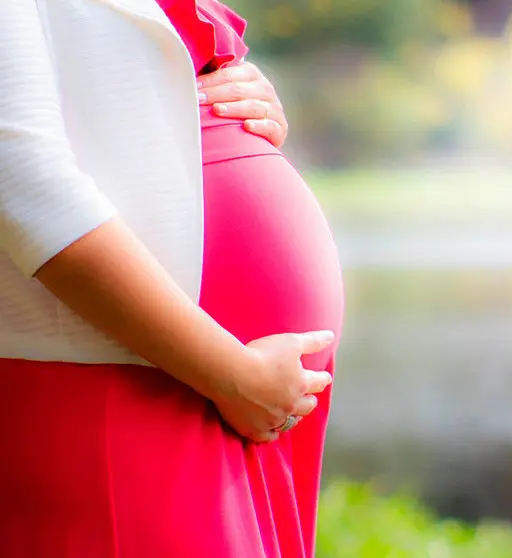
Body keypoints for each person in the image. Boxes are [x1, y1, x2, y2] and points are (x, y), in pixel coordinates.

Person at [0, 1, 345, 557]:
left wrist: (231, 100)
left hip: (212, 384)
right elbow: (19, 179)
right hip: (126, 380)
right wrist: (232, 375)